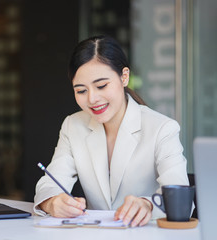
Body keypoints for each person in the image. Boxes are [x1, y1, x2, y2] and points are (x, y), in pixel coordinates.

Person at [33, 35, 190, 227]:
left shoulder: (162, 128)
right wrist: (52, 202)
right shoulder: (72, 126)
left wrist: (148, 205)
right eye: (81, 90)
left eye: (101, 86)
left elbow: (180, 196)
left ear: (124, 77)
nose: (92, 99)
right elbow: (49, 184)